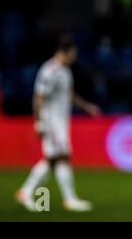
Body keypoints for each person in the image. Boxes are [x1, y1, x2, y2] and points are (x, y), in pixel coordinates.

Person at [16, 37, 101, 212]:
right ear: (66, 52)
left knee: (54, 160)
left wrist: (87, 106)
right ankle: (69, 200)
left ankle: (26, 192)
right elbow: (38, 97)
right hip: (51, 122)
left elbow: (69, 94)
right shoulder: (50, 71)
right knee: (62, 157)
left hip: (61, 122)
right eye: (73, 53)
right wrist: (39, 122)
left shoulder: (64, 71)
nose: (74, 57)